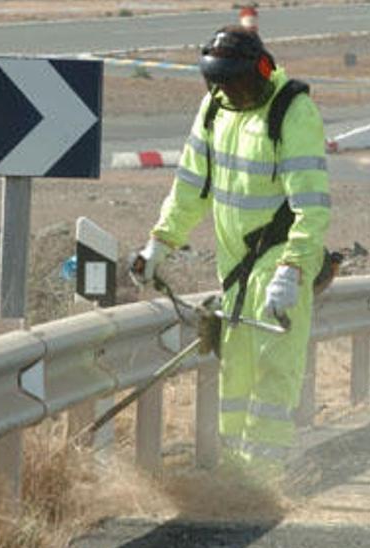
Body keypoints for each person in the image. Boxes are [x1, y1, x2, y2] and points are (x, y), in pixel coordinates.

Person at [131, 26, 330, 475]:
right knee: (236, 375)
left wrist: (294, 269)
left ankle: (264, 480)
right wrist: (158, 244)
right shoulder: (214, 110)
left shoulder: (292, 113)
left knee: (272, 372)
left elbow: (311, 205)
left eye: (238, 83)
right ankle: (238, 475)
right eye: (221, 84)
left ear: (261, 71)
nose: (231, 93)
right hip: (235, 270)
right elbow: (189, 188)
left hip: (280, 260)